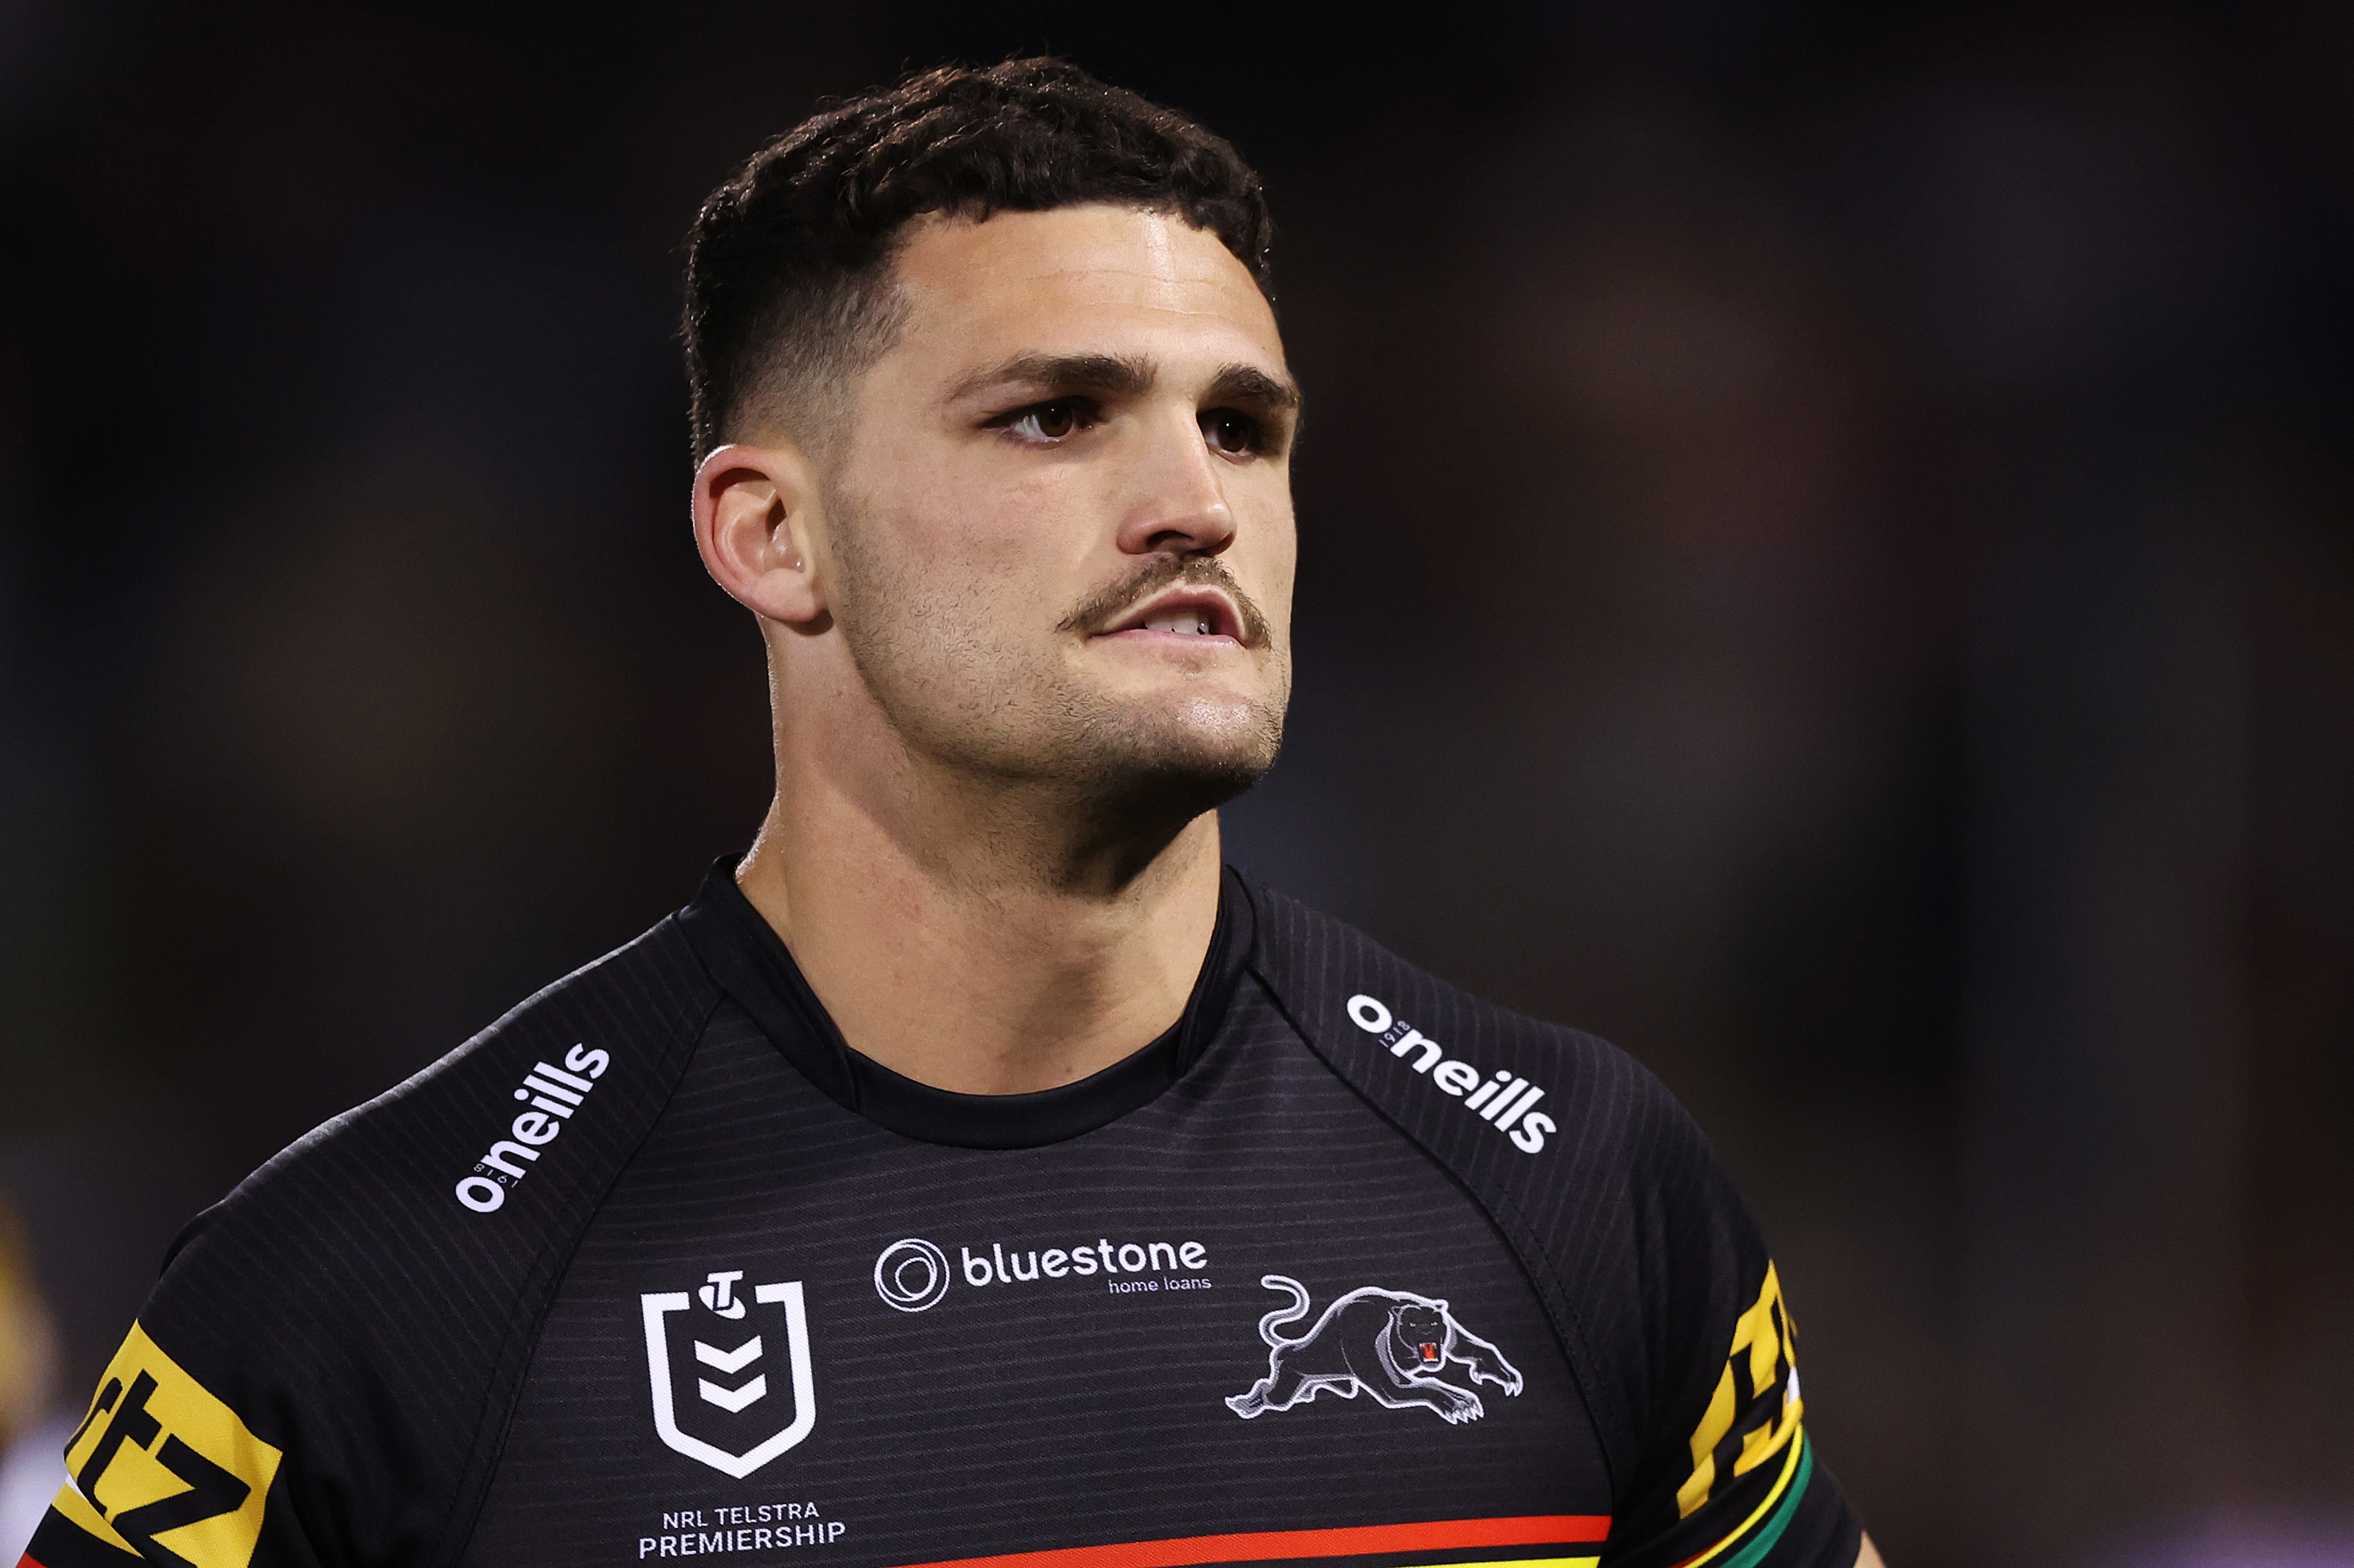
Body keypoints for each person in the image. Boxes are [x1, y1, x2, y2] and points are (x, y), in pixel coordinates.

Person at [21, 59, 1882, 1568]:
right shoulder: (373, 1291)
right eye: (1057, 416)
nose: (1199, 503)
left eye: (1244, 427)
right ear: (773, 534)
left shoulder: (1580, 1190)